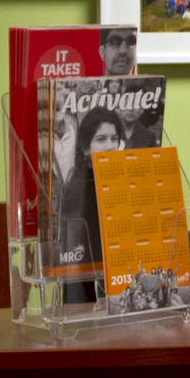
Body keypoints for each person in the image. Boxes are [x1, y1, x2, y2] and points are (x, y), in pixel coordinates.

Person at [55, 103, 126, 266]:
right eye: (101, 139)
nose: (110, 147)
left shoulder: (120, 182)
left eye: (114, 139)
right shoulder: (79, 188)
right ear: (86, 147)